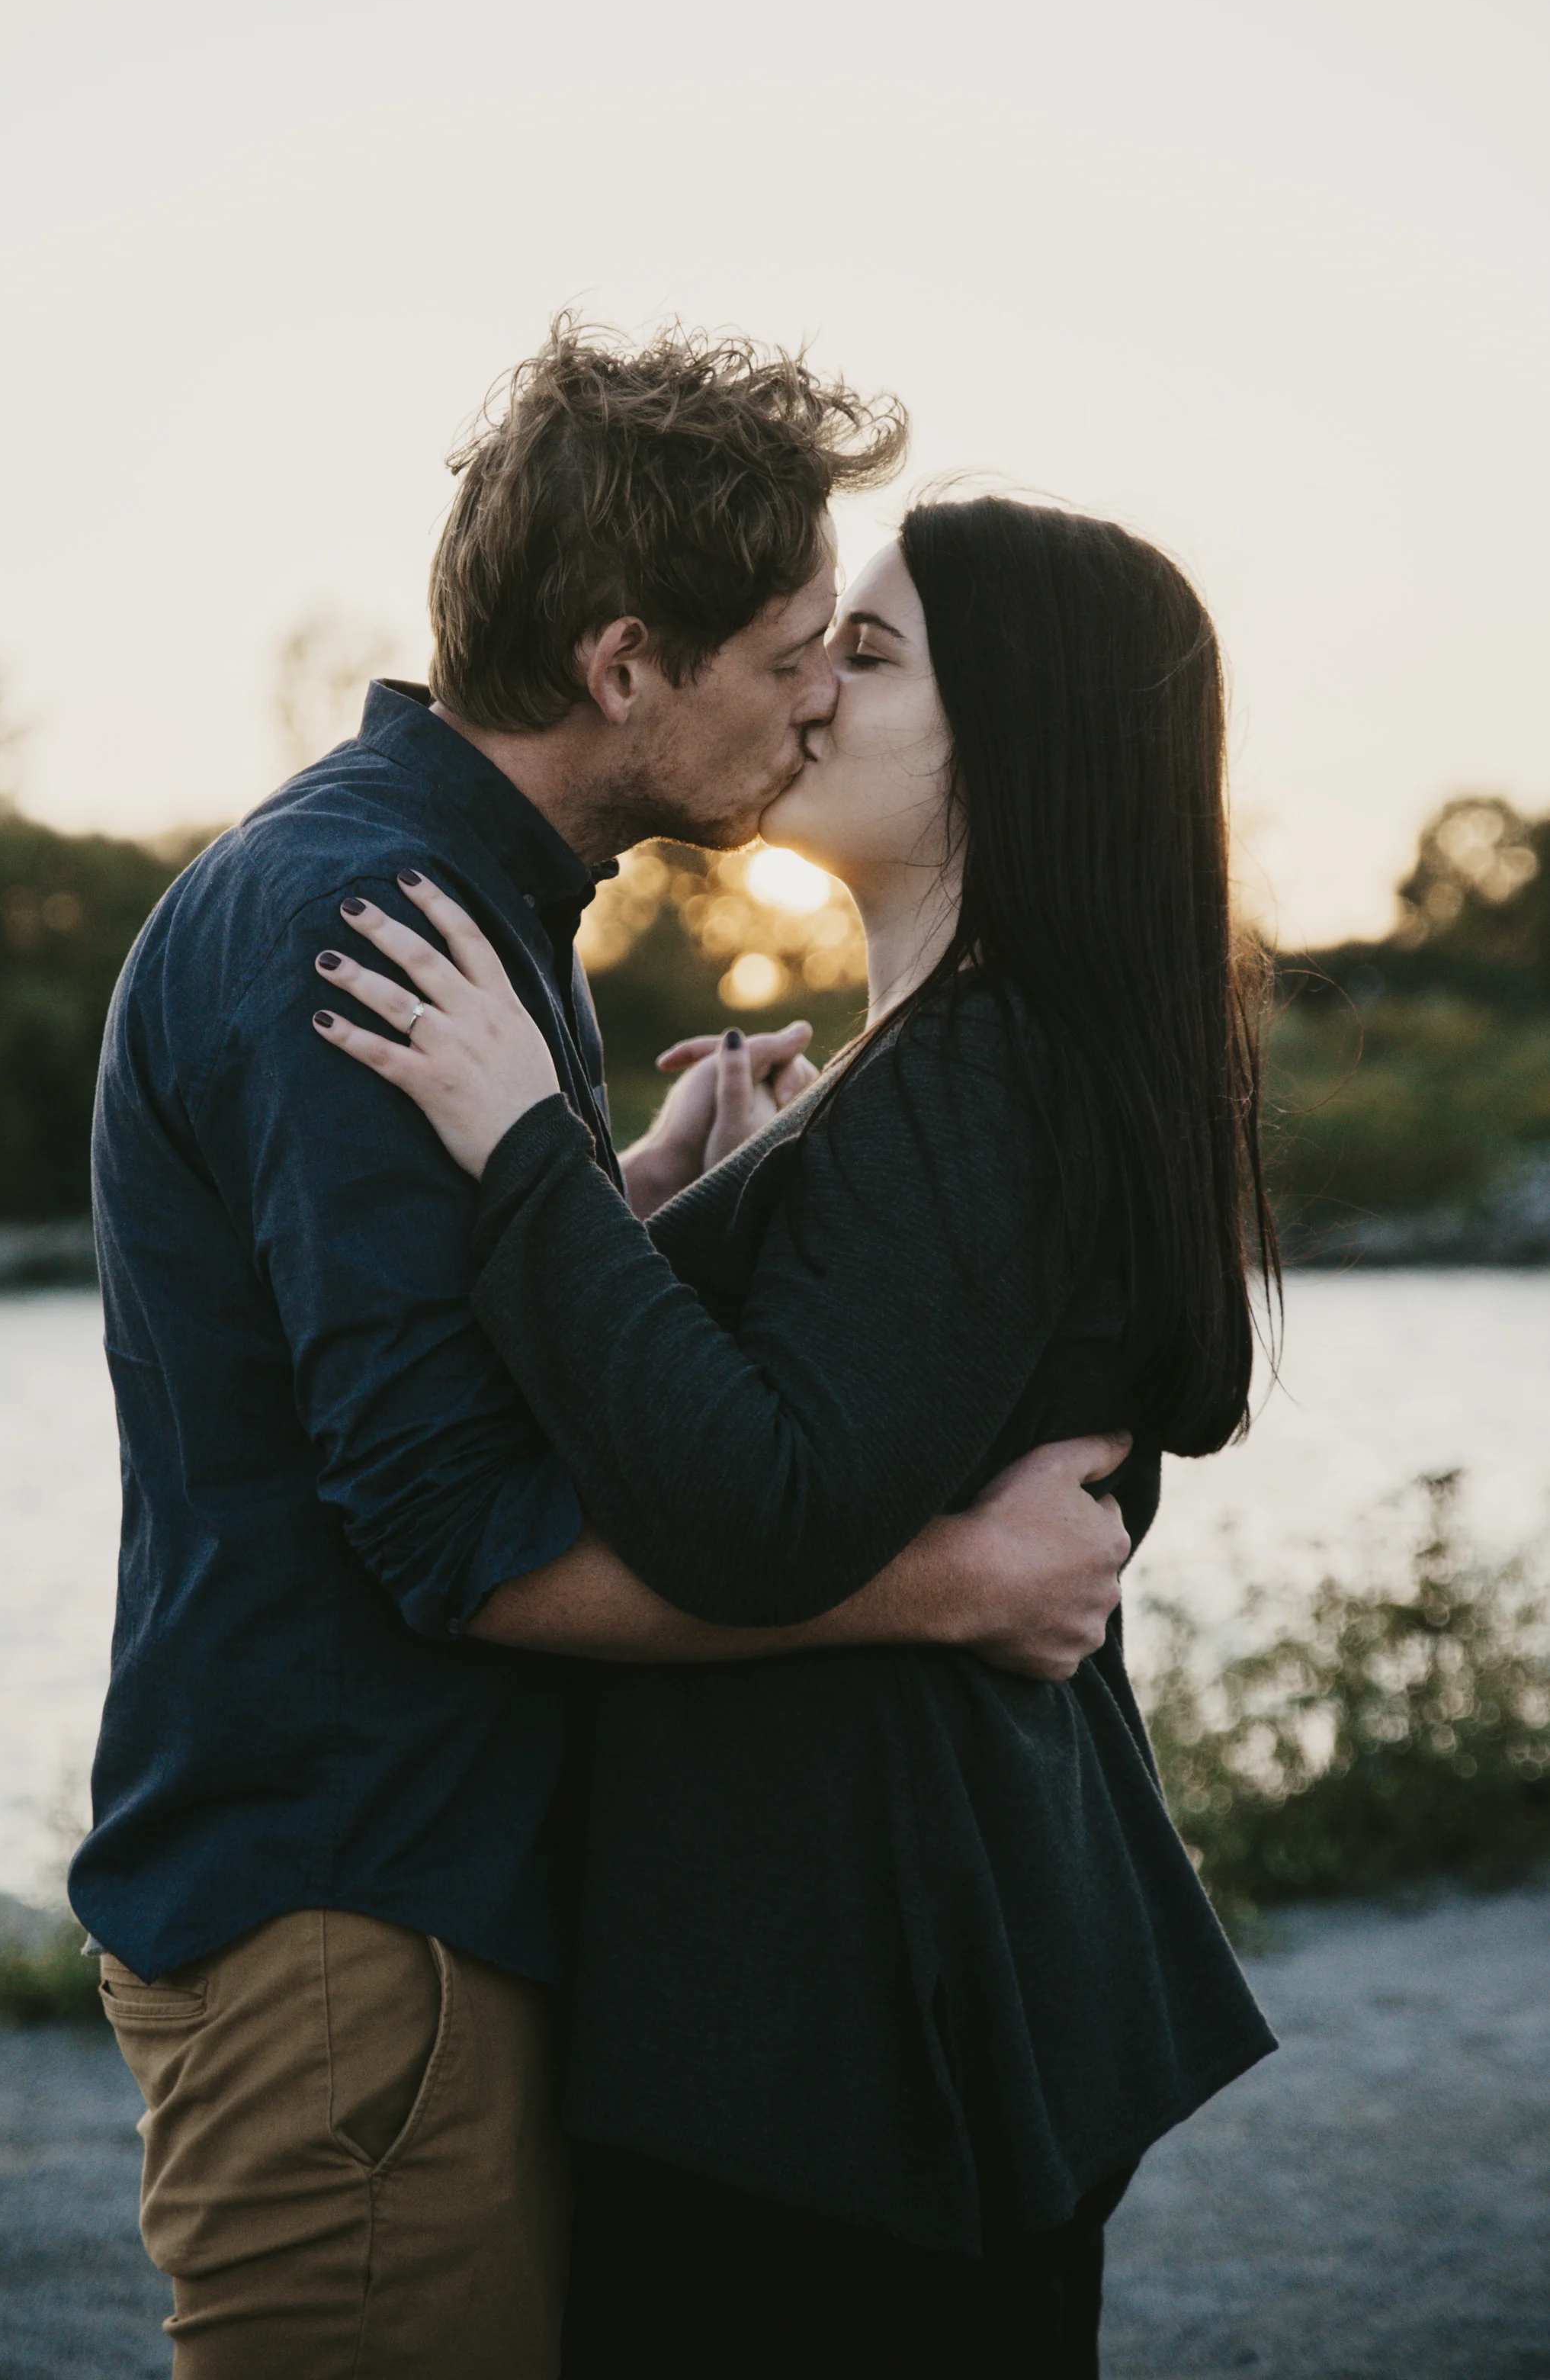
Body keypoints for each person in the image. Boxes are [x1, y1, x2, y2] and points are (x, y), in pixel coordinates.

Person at [70, 330, 1134, 2380]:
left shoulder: (458, 883)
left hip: (410, 1899)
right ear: (627, 664)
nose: (820, 695)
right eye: (792, 649)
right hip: (353, 1914)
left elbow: (386, 1377)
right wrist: (965, 1583)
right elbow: (460, 1533)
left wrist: (615, 1218)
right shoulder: (372, 923)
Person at [312, 489, 1282, 2379]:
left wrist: (534, 1155)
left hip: (832, 2017)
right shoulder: (962, 1064)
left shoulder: (978, 1077)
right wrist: (705, 1206)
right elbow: (857, 1413)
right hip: (892, 1970)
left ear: (1018, 737)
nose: (812, 689)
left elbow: (759, 1516)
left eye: (872, 650)